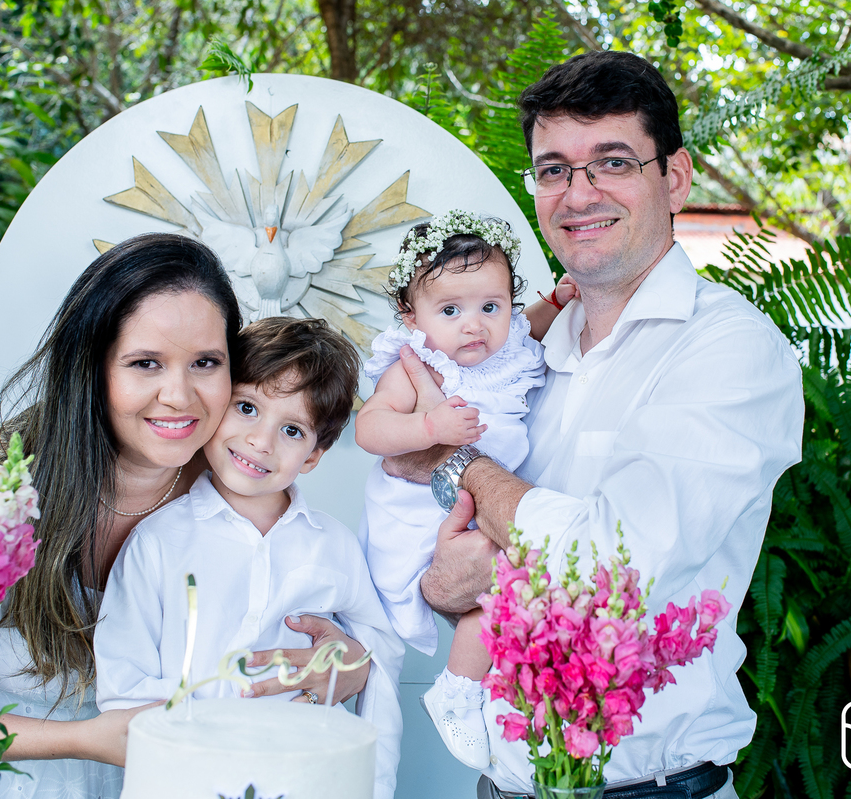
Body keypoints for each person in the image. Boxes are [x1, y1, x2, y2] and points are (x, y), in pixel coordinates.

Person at [383, 52, 804, 798]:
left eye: (610, 161)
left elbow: (618, 564)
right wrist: (449, 586)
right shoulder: (517, 353)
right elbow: (458, 576)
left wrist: (461, 462)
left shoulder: (727, 347)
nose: (578, 194)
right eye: (554, 170)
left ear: (673, 178)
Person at [0, 234, 373, 798]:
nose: (178, 395)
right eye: (145, 363)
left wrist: (350, 667)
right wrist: (84, 738)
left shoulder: (235, 495)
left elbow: (296, 621)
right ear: (93, 369)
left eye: (205, 362)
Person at [95, 316, 405, 799]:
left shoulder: (333, 546)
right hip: (186, 784)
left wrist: (374, 783)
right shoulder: (156, 542)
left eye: (293, 431)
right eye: (246, 407)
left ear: (314, 456)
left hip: (307, 783)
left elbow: (378, 653)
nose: (262, 441)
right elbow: (124, 683)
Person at [354, 210, 577, 770]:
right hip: (418, 514)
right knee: (502, 586)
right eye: (450, 311)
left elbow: (534, 324)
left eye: (490, 306)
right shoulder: (416, 365)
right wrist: (428, 429)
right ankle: (457, 690)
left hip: (478, 503)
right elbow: (370, 429)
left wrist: (557, 301)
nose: (473, 325)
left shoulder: (509, 350)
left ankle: (470, 686)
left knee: (516, 588)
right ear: (411, 315)